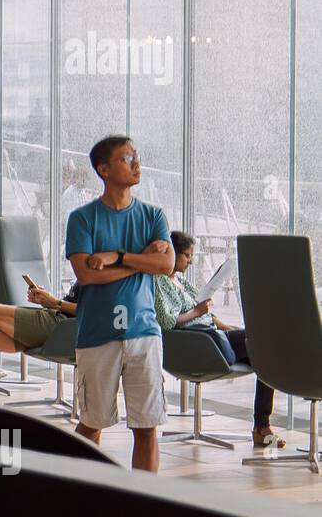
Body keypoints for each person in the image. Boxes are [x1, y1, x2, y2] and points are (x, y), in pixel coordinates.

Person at [66, 135, 174, 473]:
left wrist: (117, 256)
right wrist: (141, 260)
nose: (136, 164)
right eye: (127, 159)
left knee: (147, 428)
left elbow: (167, 266)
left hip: (144, 333)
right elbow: (87, 276)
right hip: (97, 335)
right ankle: (77, 494)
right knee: (91, 424)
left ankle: (145, 505)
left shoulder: (154, 216)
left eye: (136, 157)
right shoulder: (82, 219)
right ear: (104, 169)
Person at [155, 231, 284, 449]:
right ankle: (261, 427)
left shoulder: (181, 282)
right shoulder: (158, 282)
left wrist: (226, 327)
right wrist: (196, 312)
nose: (191, 261)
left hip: (210, 334)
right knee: (264, 349)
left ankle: (262, 426)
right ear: (172, 253)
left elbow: (205, 311)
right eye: (187, 256)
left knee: (265, 353)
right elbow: (167, 322)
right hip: (195, 342)